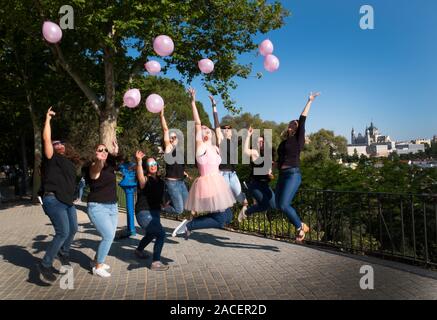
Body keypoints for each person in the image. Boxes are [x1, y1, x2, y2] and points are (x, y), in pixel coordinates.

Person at [172, 88, 236, 238]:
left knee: (228, 215)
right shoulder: (200, 147)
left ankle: (190, 224)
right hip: (208, 185)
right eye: (203, 129)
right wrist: (193, 102)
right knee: (220, 220)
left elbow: (217, 127)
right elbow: (197, 123)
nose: (205, 130)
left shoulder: (215, 147)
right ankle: (190, 225)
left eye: (208, 129)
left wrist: (214, 106)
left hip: (218, 183)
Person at [37, 107, 81, 283]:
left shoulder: (69, 163)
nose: (59, 145)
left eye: (61, 143)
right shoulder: (51, 158)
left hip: (67, 201)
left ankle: (63, 254)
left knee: (73, 229)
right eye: (56, 144)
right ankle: (45, 264)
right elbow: (46, 138)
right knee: (62, 232)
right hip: (53, 199)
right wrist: (47, 119)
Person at [275, 92, 320, 242]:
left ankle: (300, 227)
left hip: (293, 174)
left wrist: (309, 101)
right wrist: (272, 166)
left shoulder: (299, 138)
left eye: (296, 124)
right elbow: (279, 160)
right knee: (278, 204)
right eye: (292, 122)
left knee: (283, 204)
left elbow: (302, 118)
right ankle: (301, 225)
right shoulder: (283, 143)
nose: (294, 123)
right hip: (282, 175)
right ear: (288, 126)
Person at [86, 140, 120, 278]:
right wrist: (99, 160)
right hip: (97, 207)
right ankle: (98, 267)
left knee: (109, 237)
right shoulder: (93, 166)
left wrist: (115, 151)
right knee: (108, 236)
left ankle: (95, 260)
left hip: (113, 206)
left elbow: (111, 160)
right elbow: (96, 171)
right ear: (94, 153)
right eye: (100, 150)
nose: (103, 152)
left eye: (105, 150)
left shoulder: (109, 166)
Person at [134, 152, 169, 271]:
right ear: (146, 167)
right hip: (143, 213)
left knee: (151, 234)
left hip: (155, 213)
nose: (153, 166)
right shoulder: (145, 180)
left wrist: (165, 204)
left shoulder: (161, 181)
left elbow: (161, 199)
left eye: (155, 163)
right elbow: (141, 178)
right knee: (161, 234)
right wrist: (139, 161)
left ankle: (138, 250)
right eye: (150, 164)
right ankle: (156, 262)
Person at [210, 95, 246, 205]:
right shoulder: (220, 140)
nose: (226, 130)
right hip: (222, 174)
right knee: (224, 201)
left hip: (233, 174)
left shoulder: (235, 142)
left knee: (242, 199)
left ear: (232, 131)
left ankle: (245, 212)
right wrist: (214, 105)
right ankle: (223, 219)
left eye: (228, 128)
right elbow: (216, 123)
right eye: (224, 128)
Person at [238, 127, 276, 222]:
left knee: (274, 205)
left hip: (265, 184)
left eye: (262, 142)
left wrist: (270, 174)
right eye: (259, 142)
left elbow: (270, 171)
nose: (261, 143)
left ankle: (266, 214)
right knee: (264, 205)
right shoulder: (255, 152)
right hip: (255, 184)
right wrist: (248, 136)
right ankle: (246, 212)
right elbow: (245, 151)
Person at [159, 107, 189, 215]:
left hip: (181, 181)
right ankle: (161, 207)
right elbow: (166, 130)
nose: (174, 139)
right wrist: (162, 115)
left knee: (187, 205)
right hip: (172, 183)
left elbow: (178, 165)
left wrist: (184, 173)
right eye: (172, 138)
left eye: (175, 137)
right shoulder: (168, 148)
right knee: (179, 210)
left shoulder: (179, 151)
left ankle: (167, 200)